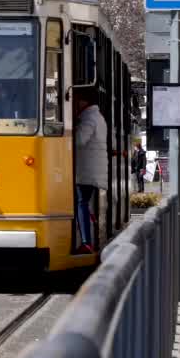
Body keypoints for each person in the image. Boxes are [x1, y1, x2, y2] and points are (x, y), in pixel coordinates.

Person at [73, 88, 107, 253]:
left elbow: (80, 140)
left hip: (86, 170)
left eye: (78, 100)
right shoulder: (97, 117)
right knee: (82, 202)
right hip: (92, 169)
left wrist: (71, 133)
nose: (76, 103)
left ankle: (86, 241)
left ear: (85, 102)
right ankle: (90, 227)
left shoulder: (89, 119)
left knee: (81, 202)